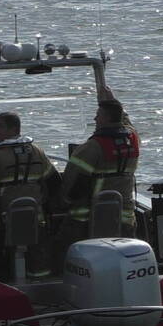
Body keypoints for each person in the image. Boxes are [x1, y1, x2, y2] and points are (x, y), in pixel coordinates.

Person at [55, 86, 140, 262]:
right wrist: (115, 103)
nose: (95, 118)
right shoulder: (133, 140)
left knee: (60, 248)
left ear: (106, 119)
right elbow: (127, 124)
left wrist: (61, 202)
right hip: (124, 217)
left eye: (98, 115)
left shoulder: (90, 148)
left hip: (86, 219)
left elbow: (72, 184)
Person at [0, 111, 60, 280]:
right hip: (36, 220)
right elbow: (54, 182)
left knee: (4, 259)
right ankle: (42, 287)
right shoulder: (37, 152)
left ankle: (10, 284)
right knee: (39, 259)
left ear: (13, 129)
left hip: (6, 223)